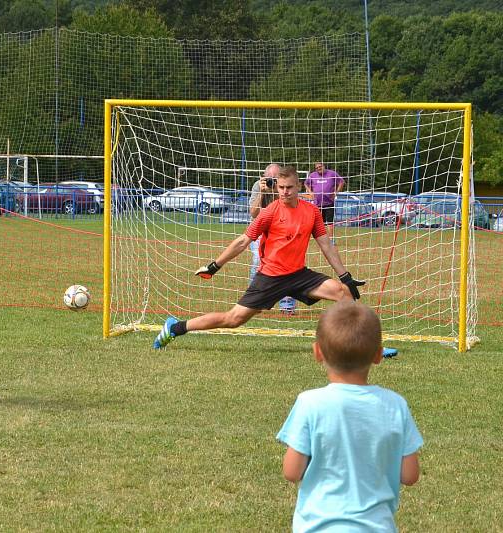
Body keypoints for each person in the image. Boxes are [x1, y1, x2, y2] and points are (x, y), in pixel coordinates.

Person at [153, 165, 364, 349]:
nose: (284, 192)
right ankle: (176, 327)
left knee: (343, 292)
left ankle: (361, 346)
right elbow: (243, 241)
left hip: (299, 274)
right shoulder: (270, 212)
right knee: (233, 319)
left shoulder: (312, 211)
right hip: (270, 278)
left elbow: (326, 244)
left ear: (299, 186)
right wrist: (214, 266)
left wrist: (345, 276)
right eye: (281, 188)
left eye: (289, 187)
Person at [276, 301, 422, 531]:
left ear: (317, 352)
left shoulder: (310, 403)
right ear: (378, 354)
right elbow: (410, 475)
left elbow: (291, 472)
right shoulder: (395, 405)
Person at [249, 164, 296, 315]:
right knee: (258, 261)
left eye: (275, 179)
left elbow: (288, 209)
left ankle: (287, 305)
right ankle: (253, 302)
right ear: (263, 177)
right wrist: (262, 193)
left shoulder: (285, 187)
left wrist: (278, 191)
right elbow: (254, 213)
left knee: (287, 264)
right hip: (260, 229)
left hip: (282, 229)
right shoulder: (258, 186)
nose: (272, 182)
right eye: (270, 179)